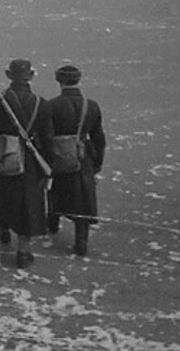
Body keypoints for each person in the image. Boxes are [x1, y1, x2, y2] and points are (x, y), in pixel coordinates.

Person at [0, 59, 54, 269]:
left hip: (3, 156)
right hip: (30, 161)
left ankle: (2, 229)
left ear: (9, 76)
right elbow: (48, 140)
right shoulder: (42, 104)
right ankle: (23, 250)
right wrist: (48, 169)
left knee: (1, 197)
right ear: (30, 76)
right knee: (27, 205)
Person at [45, 65, 106, 257]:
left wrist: (46, 160)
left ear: (59, 80)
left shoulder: (52, 105)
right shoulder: (92, 105)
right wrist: (97, 163)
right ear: (78, 80)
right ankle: (81, 241)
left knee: (57, 191)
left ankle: (53, 223)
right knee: (84, 198)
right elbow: (99, 138)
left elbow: (46, 136)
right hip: (82, 156)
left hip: (59, 155)